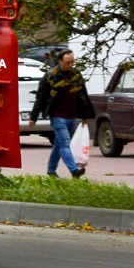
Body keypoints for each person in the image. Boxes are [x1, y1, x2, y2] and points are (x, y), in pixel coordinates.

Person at [29, 48, 95, 178]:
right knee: (65, 142)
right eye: (67, 62)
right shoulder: (51, 76)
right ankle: (74, 170)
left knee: (59, 144)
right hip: (57, 116)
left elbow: (83, 95)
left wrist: (85, 114)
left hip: (71, 116)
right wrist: (33, 117)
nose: (70, 65)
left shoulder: (76, 75)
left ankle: (51, 170)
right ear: (60, 61)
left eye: (72, 62)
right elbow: (41, 97)